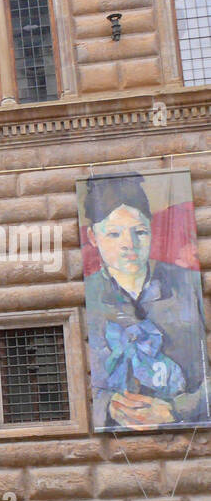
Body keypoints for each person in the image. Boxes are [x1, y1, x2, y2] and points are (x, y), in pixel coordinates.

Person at [82, 174, 210, 430]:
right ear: (93, 237)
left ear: (152, 229)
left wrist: (177, 410)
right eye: (114, 234)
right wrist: (108, 406)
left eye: (139, 231)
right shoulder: (89, 294)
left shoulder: (187, 287)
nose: (129, 245)